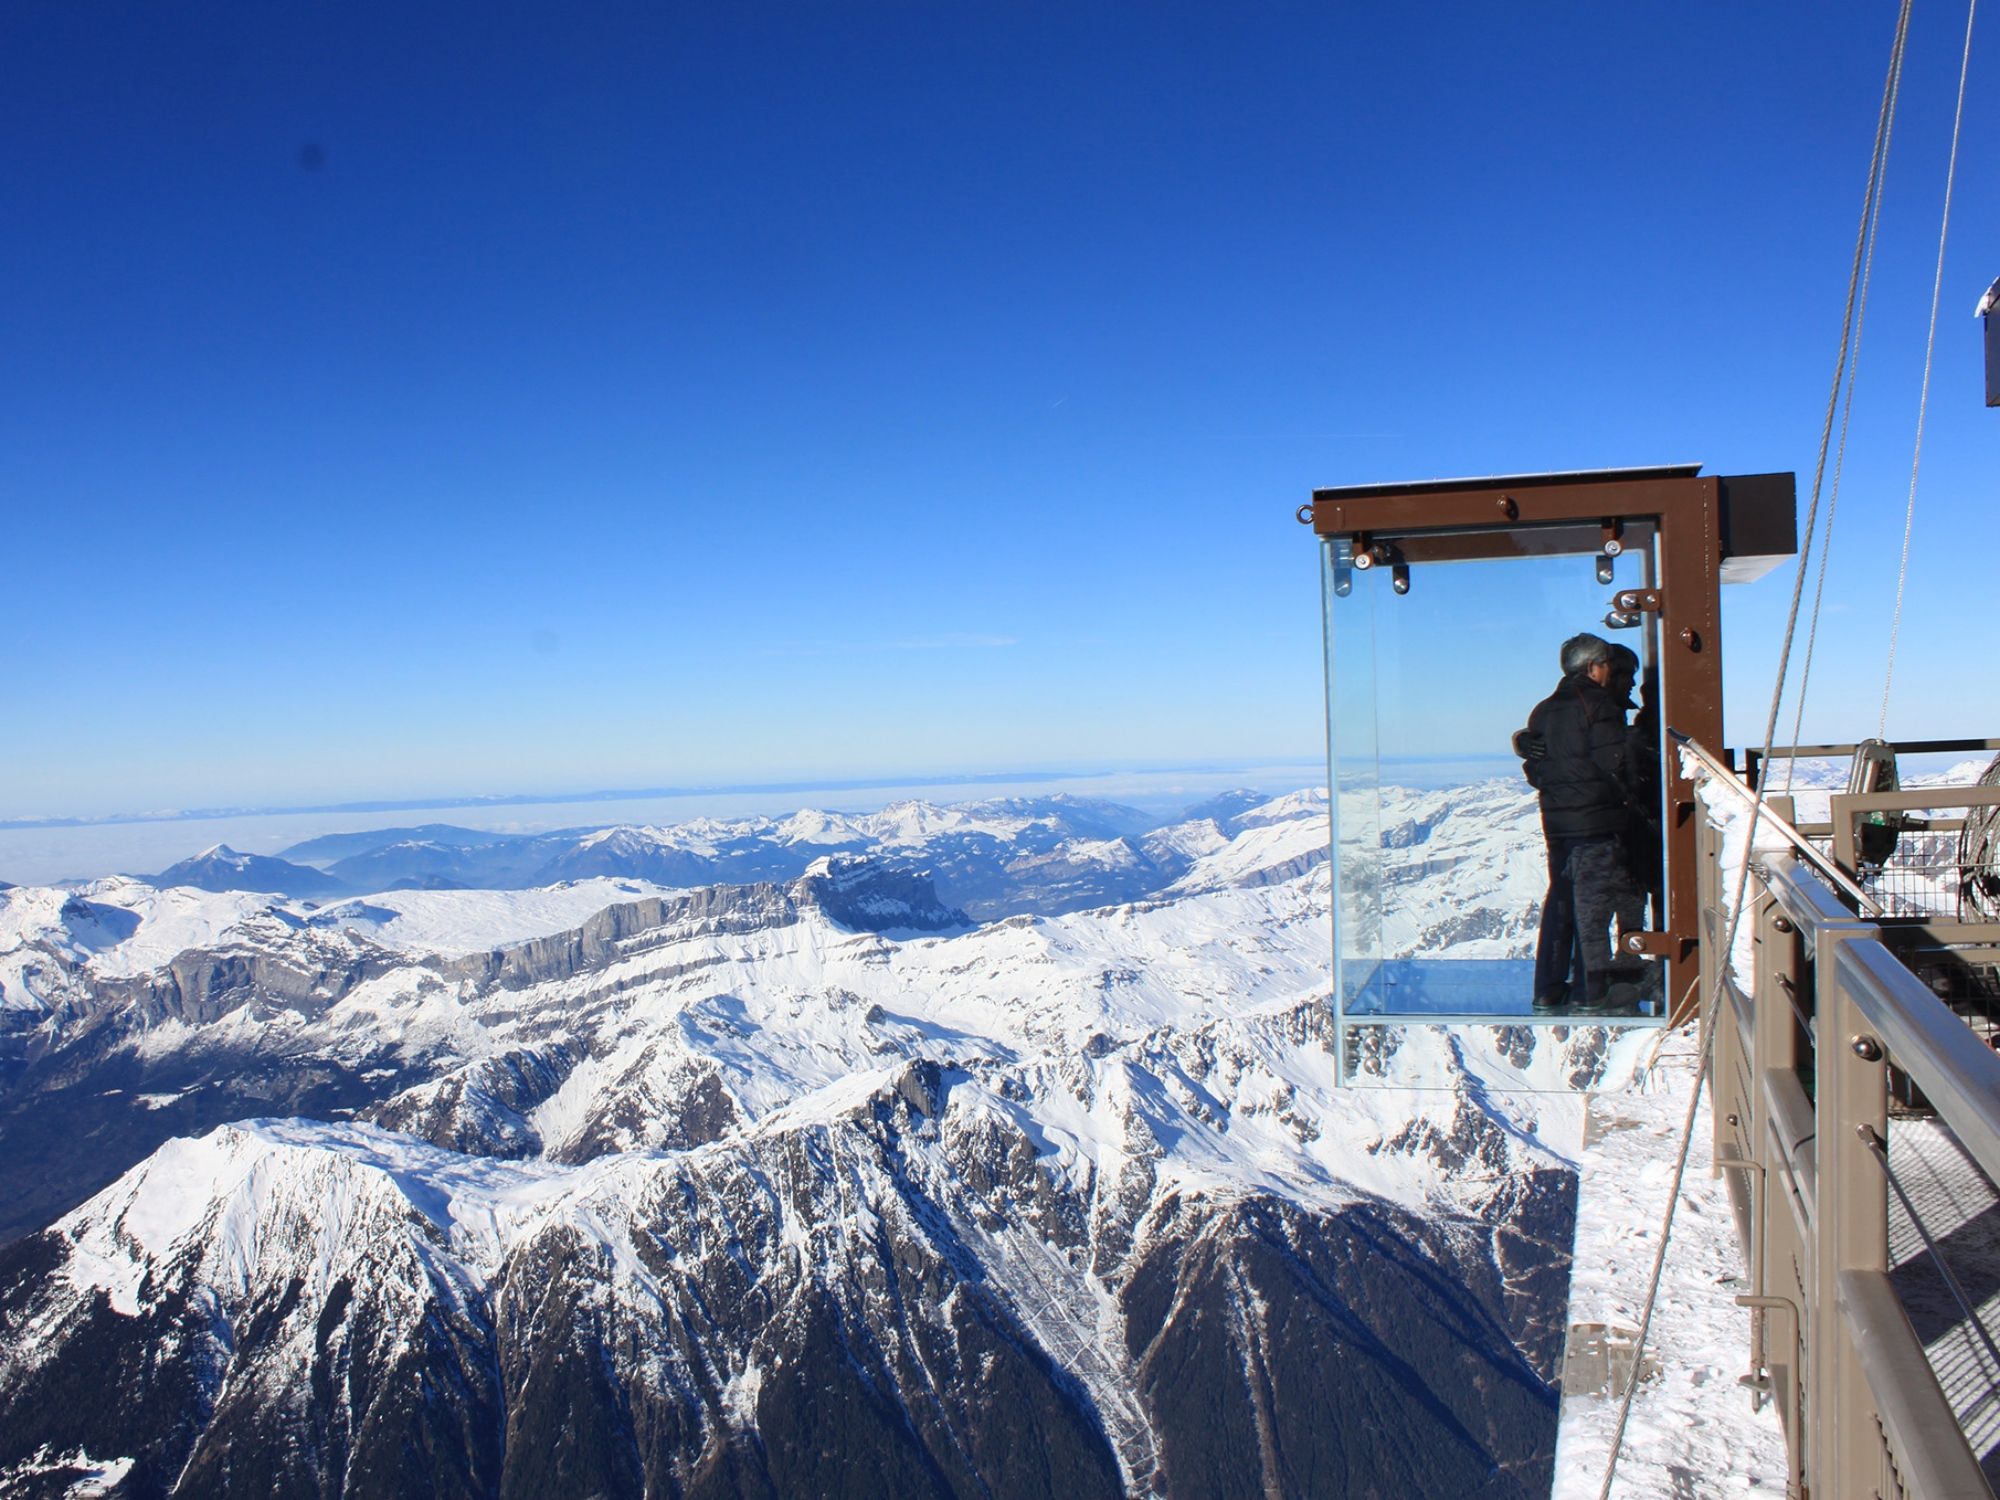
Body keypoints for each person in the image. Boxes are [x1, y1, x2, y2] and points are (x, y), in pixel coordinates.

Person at [1513, 633, 1652, 1011]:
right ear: (1594, 667)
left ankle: (1549, 986)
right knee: (1599, 905)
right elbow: (1615, 764)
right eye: (1609, 666)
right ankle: (1594, 988)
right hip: (1598, 823)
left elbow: (1536, 770)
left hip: (1558, 823)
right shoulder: (1598, 706)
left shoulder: (1542, 711)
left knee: (1562, 898)